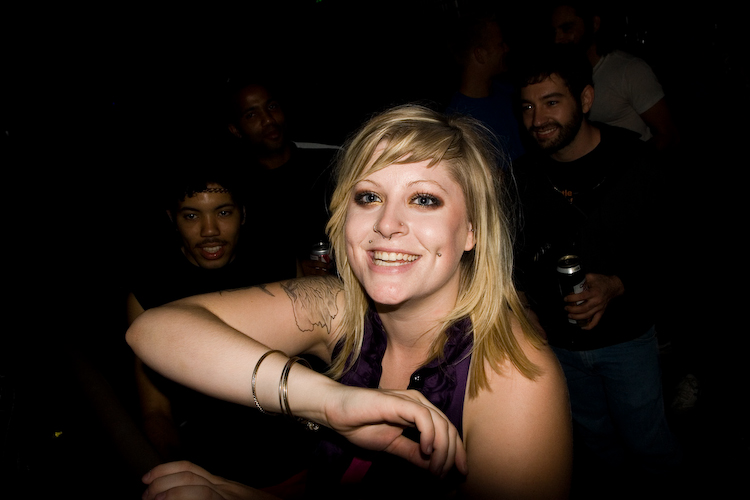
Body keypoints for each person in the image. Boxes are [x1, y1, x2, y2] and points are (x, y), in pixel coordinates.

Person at [127, 104, 573, 499]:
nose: (387, 223)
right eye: (369, 197)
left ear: (472, 229)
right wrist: (327, 402)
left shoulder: (514, 379)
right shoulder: (337, 308)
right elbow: (152, 332)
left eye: (423, 199)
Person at [512, 46, 680, 495]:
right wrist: (524, 307)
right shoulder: (520, 178)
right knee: (597, 447)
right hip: (558, 348)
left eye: (551, 102)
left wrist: (617, 284)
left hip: (626, 340)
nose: (537, 119)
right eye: (527, 107)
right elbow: (510, 259)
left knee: (650, 448)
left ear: (585, 99)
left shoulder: (637, 164)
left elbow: (672, 252)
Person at [126, 168, 319, 487]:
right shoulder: (152, 292)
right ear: (172, 218)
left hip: (302, 455)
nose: (209, 230)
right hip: (215, 469)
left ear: (243, 214)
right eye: (191, 216)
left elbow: (311, 362)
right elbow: (156, 411)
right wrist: (183, 475)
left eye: (224, 212)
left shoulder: (277, 264)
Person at [224, 78, 337, 278]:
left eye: (272, 106)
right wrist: (289, 269)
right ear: (235, 130)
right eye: (251, 114)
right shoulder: (233, 187)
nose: (268, 119)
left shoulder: (330, 164)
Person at [551, 1, 679, 151]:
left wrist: (631, 163)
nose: (557, 39)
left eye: (567, 29)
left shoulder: (629, 70)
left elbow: (668, 134)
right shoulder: (559, 76)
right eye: (553, 32)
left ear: (594, 24)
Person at [446, 12, 525, 163]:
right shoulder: (458, 123)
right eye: (500, 44)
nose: (506, 49)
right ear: (480, 55)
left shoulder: (509, 91)